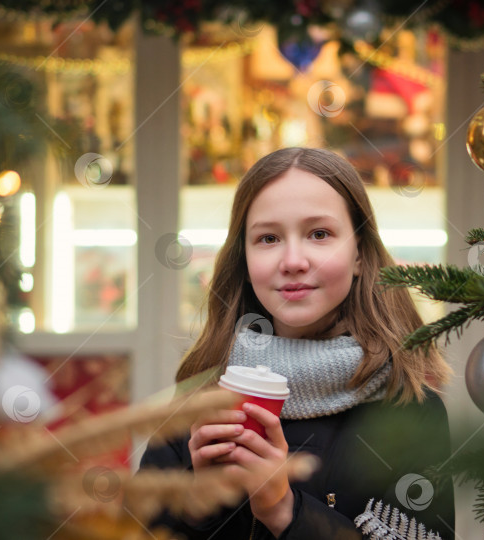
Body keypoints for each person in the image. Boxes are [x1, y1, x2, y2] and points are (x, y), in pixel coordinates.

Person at [139, 147, 455, 539]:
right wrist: (198, 501)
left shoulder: (411, 412)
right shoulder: (196, 403)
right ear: (245, 260)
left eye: (319, 234)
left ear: (359, 254)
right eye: (268, 238)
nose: (292, 260)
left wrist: (284, 509)